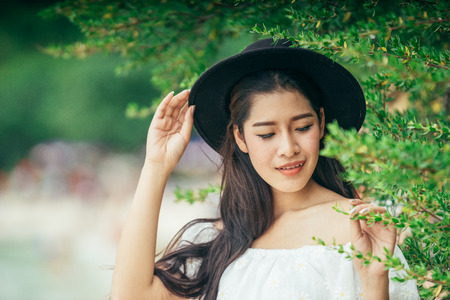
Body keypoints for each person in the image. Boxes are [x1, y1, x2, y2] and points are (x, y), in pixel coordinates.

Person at [110, 39, 420, 300]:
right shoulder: (220, 240)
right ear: (240, 137)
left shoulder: (361, 230)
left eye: (302, 127)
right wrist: (156, 165)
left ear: (322, 123)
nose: (288, 148)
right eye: (267, 134)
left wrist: (375, 281)